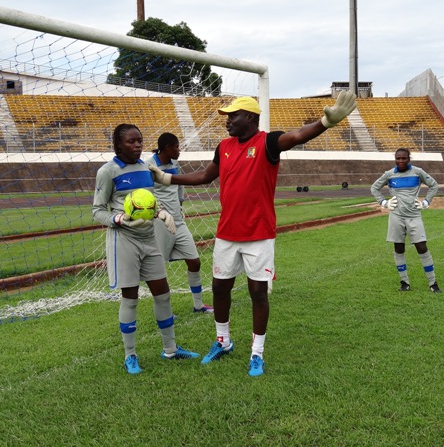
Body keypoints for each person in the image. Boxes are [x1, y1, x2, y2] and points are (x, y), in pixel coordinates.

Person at [149, 91, 357, 377]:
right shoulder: (224, 146)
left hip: (259, 235)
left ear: (250, 117)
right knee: (220, 288)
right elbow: (205, 176)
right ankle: (223, 341)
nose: (227, 121)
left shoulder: (268, 143)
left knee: (258, 293)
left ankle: (257, 353)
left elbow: (297, 136)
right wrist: (167, 178)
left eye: (232, 116)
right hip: (227, 233)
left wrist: (325, 123)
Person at [92, 123, 200, 375]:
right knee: (130, 297)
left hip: (149, 238)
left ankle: (170, 349)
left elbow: (150, 201)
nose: (137, 145)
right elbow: (97, 211)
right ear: (118, 145)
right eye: (131, 141)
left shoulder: (146, 169)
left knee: (162, 293)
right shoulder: (107, 172)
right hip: (124, 240)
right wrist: (119, 219)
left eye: (139, 140)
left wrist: (161, 212)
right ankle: (130, 355)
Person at [150, 132, 213, 314]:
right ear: (167, 148)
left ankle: (198, 305)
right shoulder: (149, 166)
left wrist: (180, 203)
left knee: (194, 261)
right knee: (159, 269)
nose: (179, 150)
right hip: (160, 222)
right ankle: (165, 312)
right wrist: (159, 213)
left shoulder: (174, 164)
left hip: (178, 221)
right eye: (176, 147)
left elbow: (179, 186)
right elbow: (146, 193)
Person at [371, 147, 441, 293]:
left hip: (414, 215)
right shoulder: (389, 174)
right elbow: (374, 188)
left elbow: (434, 185)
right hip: (396, 216)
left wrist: (426, 202)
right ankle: (404, 282)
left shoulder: (417, 172)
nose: (401, 161)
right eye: (398, 158)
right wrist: (384, 203)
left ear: (409, 159)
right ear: (395, 159)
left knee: (421, 247)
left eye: (404, 158)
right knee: (399, 248)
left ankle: (433, 283)